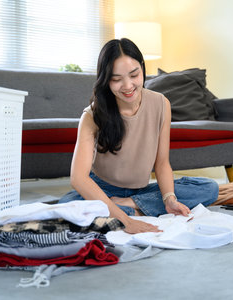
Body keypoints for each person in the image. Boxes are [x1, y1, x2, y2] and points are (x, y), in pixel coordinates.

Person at [58, 38, 219, 234]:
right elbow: (79, 179)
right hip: (103, 188)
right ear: (105, 79)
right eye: (116, 79)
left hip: (141, 190)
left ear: (142, 69)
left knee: (209, 187)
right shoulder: (92, 115)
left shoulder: (161, 104)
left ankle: (128, 204)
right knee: (67, 207)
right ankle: (130, 210)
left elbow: (161, 163)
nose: (127, 85)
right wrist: (125, 221)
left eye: (134, 75)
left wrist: (170, 199)